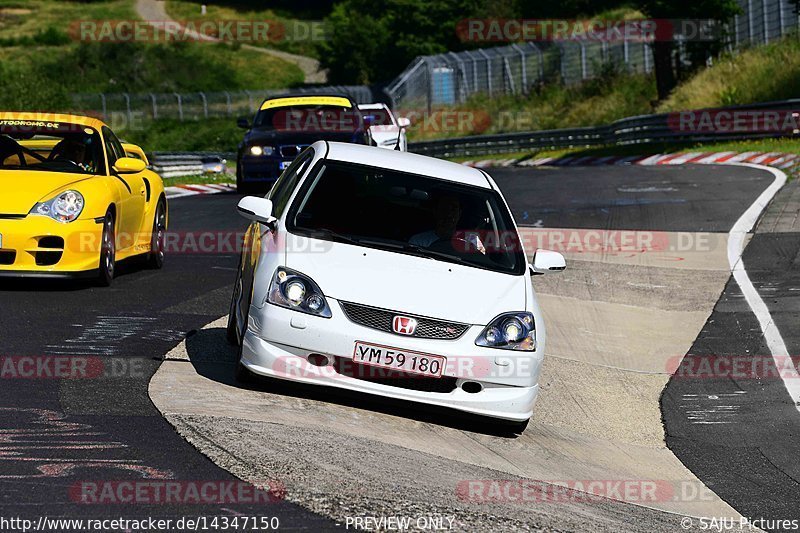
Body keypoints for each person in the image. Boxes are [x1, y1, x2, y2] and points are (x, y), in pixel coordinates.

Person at [410, 195, 485, 254]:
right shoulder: (418, 241)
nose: (449, 214)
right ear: (435, 211)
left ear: (459, 213)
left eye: (453, 209)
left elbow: (482, 261)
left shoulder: (473, 240)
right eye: (444, 209)